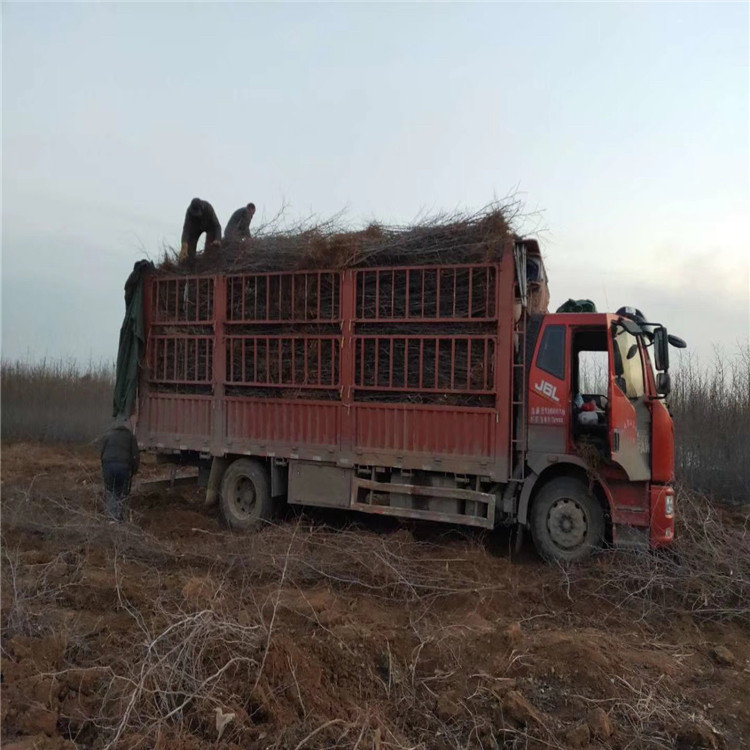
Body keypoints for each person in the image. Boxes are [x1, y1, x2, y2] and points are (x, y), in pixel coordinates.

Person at [100, 417, 140, 521]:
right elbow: (135, 456)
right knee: (123, 491)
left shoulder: (109, 435)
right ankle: (122, 516)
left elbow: (102, 452)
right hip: (123, 466)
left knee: (111, 490)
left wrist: (104, 467)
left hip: (108, 465)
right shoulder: (130, 437)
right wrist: (134, 470)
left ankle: (112, 517)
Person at [179, 198, 222, 263]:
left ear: (202, 208)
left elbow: (217, 226)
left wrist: (218, 239)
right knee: (189, 250)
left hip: (210, 228)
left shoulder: (208, 207)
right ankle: (190, 266)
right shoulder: (189, 212)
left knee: (211, 248)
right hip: (195, 228)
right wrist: (184, 244)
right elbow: (186, 229)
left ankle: (208, 264)